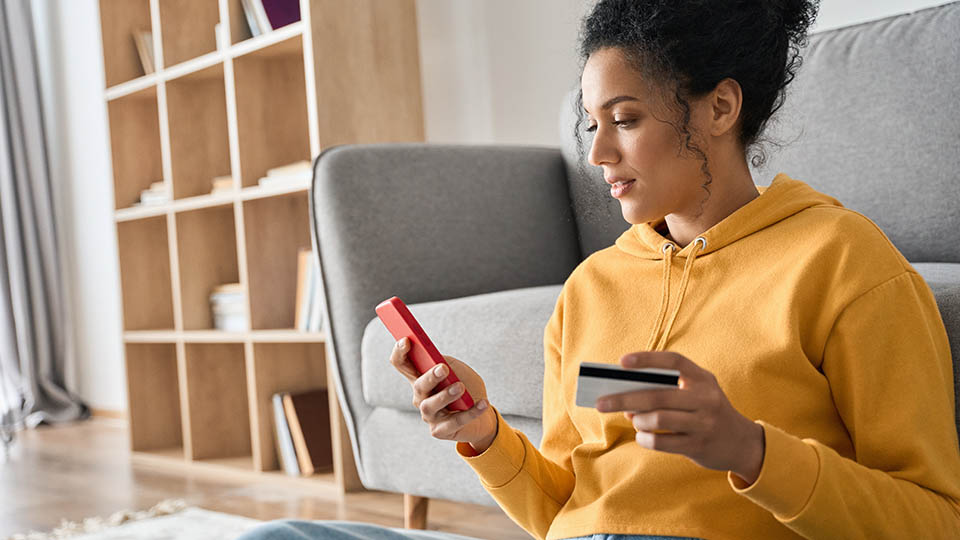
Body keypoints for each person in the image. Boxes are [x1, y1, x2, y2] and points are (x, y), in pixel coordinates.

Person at [238, 0, 960, 539]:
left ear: (720, 106)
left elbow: (934, 519)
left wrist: (751, 451)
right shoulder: (592, 287)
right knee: (279, 536)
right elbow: (563, 508)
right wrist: (483, 432)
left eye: (626, 119)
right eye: (591, 123)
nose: (596, 154)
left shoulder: (844, 261)